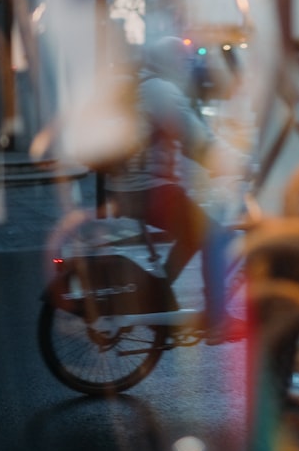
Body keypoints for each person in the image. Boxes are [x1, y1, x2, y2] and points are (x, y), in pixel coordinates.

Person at [104, 36, 247, 344]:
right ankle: (217, 320)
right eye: (181, 61)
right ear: (170, 61)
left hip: (134, 188)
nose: (185, 67)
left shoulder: (147, 86)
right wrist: (240, 164)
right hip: (148, 189)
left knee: (195, 232)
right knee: (217, 238)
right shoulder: (161, 91)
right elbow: (197, 140)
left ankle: (158, 293)